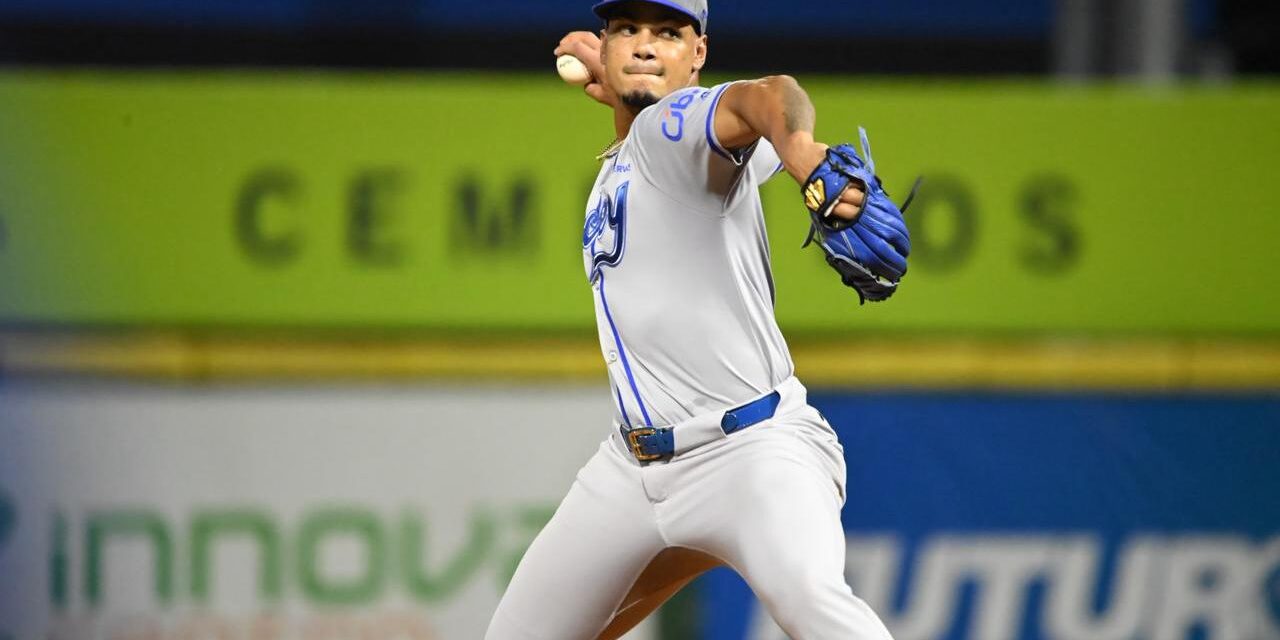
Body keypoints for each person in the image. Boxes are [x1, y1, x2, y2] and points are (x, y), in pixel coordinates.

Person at [486, 1, 902, 638]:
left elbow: (768, 97)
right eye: (628, 30)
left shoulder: (673, 128)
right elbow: (701, 133)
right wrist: (621, 92)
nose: (646, 46)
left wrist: (800, 148)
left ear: (699, 54)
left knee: (813, 604)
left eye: (668, 34)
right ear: (606, 41)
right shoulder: (641, 151)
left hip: (752, 454)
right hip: (630, 472)